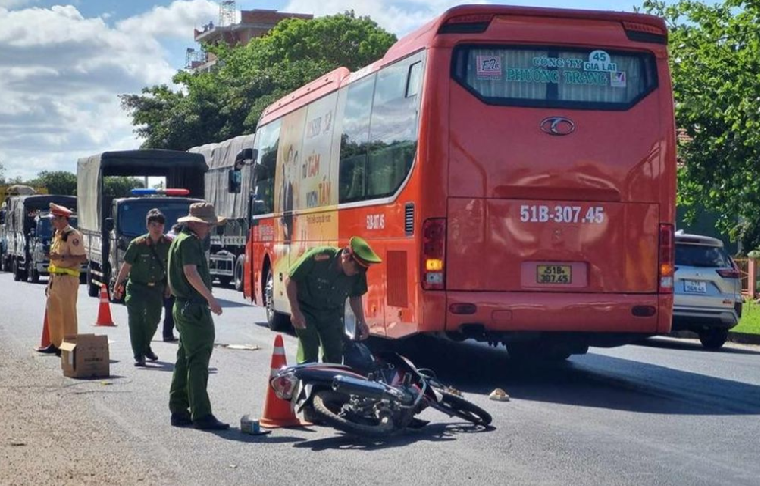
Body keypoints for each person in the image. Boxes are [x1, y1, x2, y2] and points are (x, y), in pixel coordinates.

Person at [167, 202, 228, 430]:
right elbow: (190, 273)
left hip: (183, 306)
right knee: (198, 360)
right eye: (207, 224)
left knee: (185, 358)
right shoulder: (190, 242)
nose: (209, 229)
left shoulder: (179, 240)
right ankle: (201, 414)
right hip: (193, 308)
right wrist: (210, 299)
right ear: (194, 224)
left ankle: (179, 409)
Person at [285, 236, 381, 365]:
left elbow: (355, 296)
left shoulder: (357, 273)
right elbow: (291, 279)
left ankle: (326, 385)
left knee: (334, 356)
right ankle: (304, 383)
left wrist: (362, 321)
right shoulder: (320, 257)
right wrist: (295, 311)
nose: (358, 272)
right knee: (309, 354)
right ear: (346, 257)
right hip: (307, 311)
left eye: (362, 270)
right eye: (356, 268)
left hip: (331, 314)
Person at [113, 209, 171, 367]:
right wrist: (117, 285)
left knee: (154, 319)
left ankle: (145, 346)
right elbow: (126, 266)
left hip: (156, 288)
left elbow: (171, 268)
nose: (157, 228)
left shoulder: (168, 244)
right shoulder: (137, 244)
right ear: (147, 226)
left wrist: (169, 286)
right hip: (136, 287)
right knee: (136, 320)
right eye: (153, 224)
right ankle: (139, 354)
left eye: (160, 225)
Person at [40, 203, 87, 356]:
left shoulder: (73, 235)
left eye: (54, 219)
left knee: (68, 314)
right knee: (53, 313)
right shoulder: (58, 234)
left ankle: (69, 345)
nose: (52, 222)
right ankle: (56, 343)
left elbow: (81, 258)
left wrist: (61, 257)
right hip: (55, 279)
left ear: (63, 219)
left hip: (68, 279)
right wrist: (49, 283)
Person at [161, 223, 183, 342]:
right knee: (171, 309)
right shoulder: (175, 243)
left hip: (168, 281)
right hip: (171, 282)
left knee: (170, 309)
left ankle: (168, 333)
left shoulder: (168, 241)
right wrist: (169, 286)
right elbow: (171, 267)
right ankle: (168, 334)